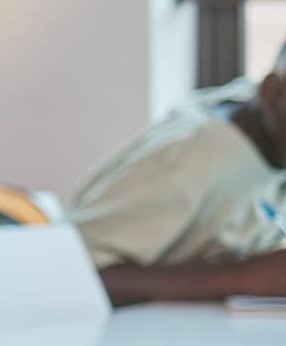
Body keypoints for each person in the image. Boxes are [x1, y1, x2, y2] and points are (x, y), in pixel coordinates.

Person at [69, 43, 286, 308]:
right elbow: (68, 274)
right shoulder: (189, 156)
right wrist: (238, 278)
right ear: (272, 93)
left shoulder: (266, 130)